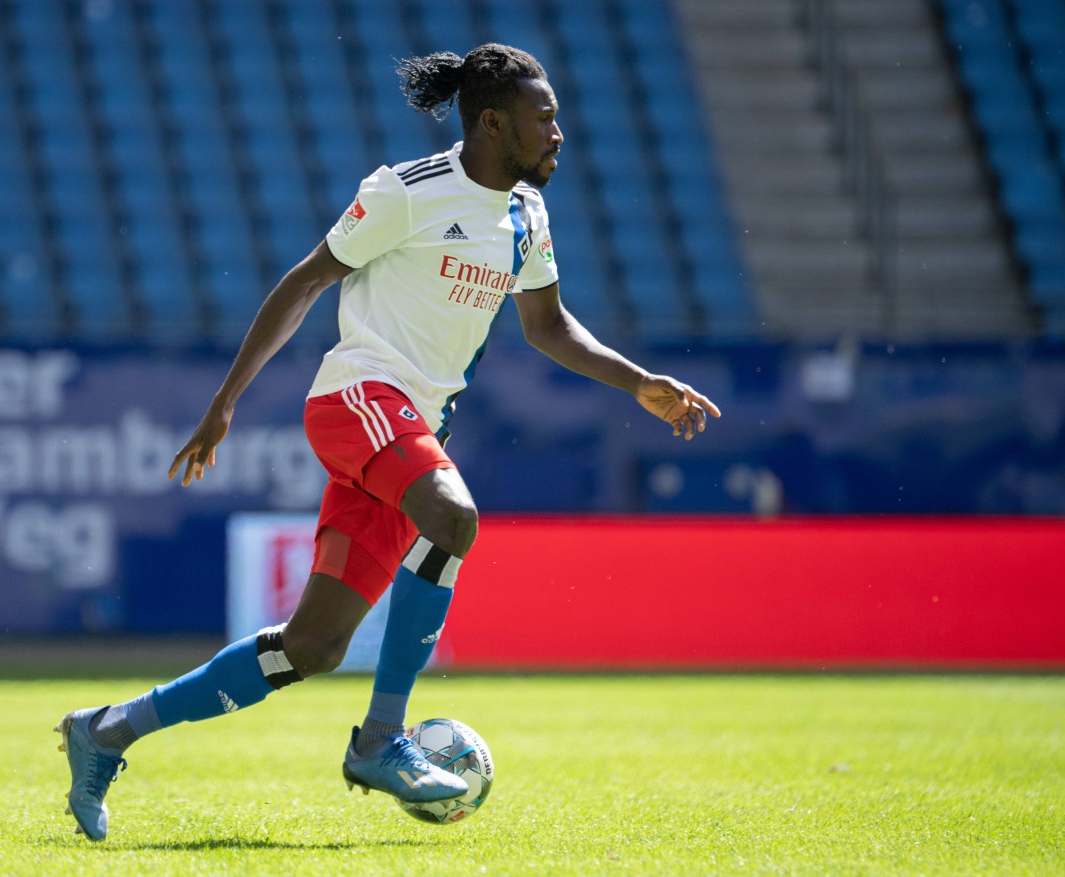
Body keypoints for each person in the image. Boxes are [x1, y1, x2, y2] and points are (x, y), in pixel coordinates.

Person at [56, 43, 720, 841]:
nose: (559, 133)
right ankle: (381, 739)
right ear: (491, 122)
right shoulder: (406, 192)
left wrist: (637, 380)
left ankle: (103, 732)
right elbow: (304, 281)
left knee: (311, 646)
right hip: (359, 399)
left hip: (407, 433)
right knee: (455, 517)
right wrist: (225, 401)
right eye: (545, 118)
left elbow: (546, 326)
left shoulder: (526, 214)